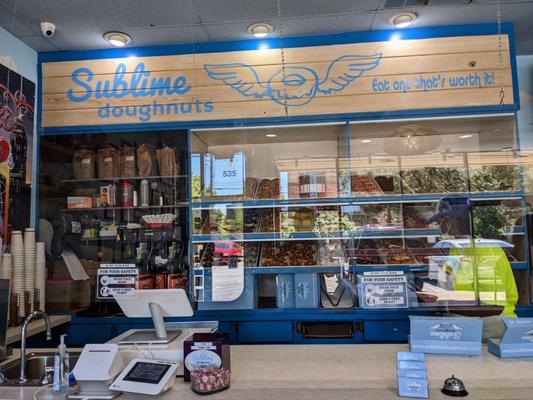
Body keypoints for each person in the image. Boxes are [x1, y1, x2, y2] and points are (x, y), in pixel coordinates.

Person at [423, 196, 518, 341]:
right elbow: (446, 278)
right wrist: (432, 294)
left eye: (441, 220)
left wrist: (445, 302)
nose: (438, 225)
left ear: (450, 222)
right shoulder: (456, 248)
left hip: (489, 326)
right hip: (465, 322)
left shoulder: (484, 251)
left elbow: (489, 304)